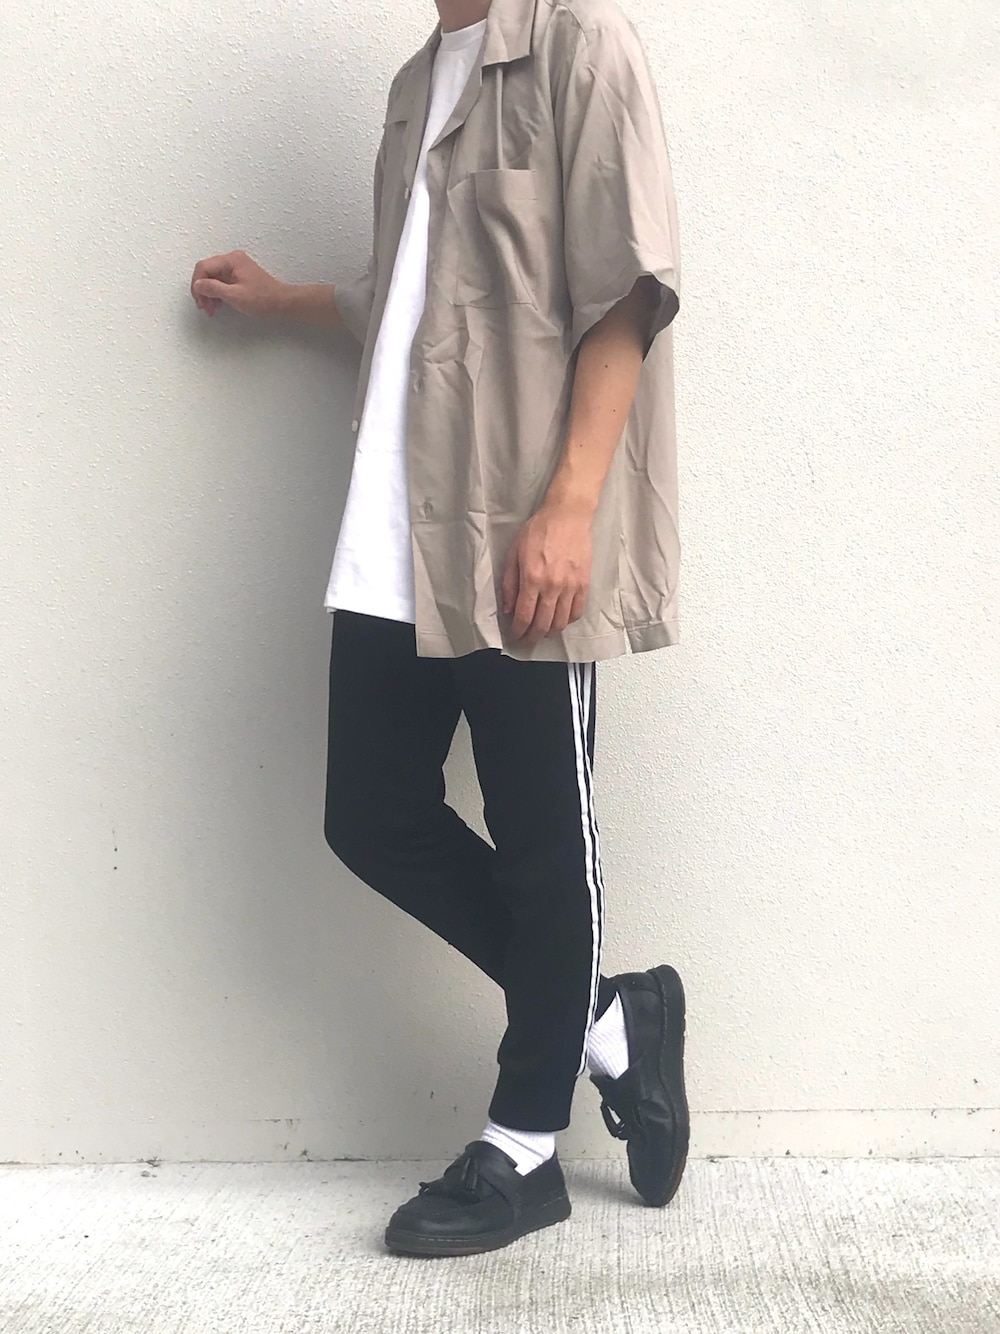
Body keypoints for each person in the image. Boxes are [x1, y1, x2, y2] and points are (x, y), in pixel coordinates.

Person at [190, 0, 687, 1258]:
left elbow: (625, 290)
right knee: (370, 815)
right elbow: (418, 303)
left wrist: (570, 504)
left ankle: (524, 1144)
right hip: (397, 530)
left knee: (541, 842)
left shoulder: (581, 46)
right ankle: (611, 1022)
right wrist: (286, 300)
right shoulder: (419, 81)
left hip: (520, 529)